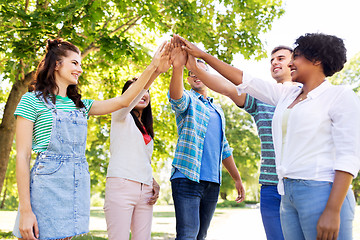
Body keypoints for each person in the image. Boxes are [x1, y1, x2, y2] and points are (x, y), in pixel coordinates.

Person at [179, 33, 360, 239]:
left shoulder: (340, 96)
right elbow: (244, 80)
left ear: (316, 60)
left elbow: (348, 157)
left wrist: (333, 210)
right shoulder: (286, 95)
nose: (291, 63)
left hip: (321, 190)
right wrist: (200, 57)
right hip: (287, 192)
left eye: (296, 57)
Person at [13, 38, 170, 240]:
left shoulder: (82, 106)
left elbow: (123, 100)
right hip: (44, 188)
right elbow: (22, 156)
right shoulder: (31, 101)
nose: (80, 69)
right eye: (74, 63)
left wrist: (155, 69)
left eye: (80, 64)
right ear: (56, 64)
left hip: (75, 185)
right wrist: (26, 210)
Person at [176, 37, 293, 239]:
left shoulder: (306, 96)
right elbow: (228, 87)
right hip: (270, 186)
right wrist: (193, 64)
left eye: (281, 58)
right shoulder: (261, 100)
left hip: (300, 183)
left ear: (295, 64)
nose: (274, 62)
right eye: (272, 59)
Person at [168, 36, 245, 240]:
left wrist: (236, 178)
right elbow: (176, 99)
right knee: (187, 235)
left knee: (201, 236)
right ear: (187, 78)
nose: (195, 75)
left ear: (208, 75)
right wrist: (178, 67)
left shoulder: (217, 109)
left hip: (212, 181)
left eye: (200, 70)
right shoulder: (188, 100)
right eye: (191, 72)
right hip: (187, 177)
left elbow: (224, 147)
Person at [103, 77, 168, 240]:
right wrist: (154, 72)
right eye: (137, 90)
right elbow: (124, 102)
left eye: (146, 91)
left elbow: (140, 159)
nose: (142, 93)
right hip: (121, 186)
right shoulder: (119, 115)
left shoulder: (146, 128)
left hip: (145, 191)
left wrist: (152, 181)